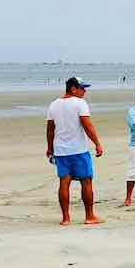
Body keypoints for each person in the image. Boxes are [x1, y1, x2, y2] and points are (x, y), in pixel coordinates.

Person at [46, 77, 104, 225]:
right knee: (86, 181)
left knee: (64, 182)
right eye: (82, 88)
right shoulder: (80, 103)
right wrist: (97, 143)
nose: (84, 91)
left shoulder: (53, 105)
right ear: (73, 89)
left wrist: (50, 148)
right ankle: (89, 216)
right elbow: (87, 125)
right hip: (79, 150)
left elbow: (50, 129)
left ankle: (66, 218)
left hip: (60, 151)